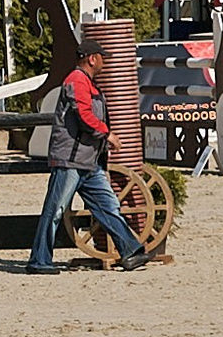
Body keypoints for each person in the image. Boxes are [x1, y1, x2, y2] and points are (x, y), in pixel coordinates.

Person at [25, 44, 145, 275]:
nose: (105, 62)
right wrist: (107, 133)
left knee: (108, 206)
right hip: (71, 160)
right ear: (91, 59)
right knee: (55, 209)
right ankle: (39, 260)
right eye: (102, 57)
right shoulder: (77, 81)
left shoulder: (85, 82)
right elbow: (84, 116)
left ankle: (131, 251)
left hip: (88, 160)